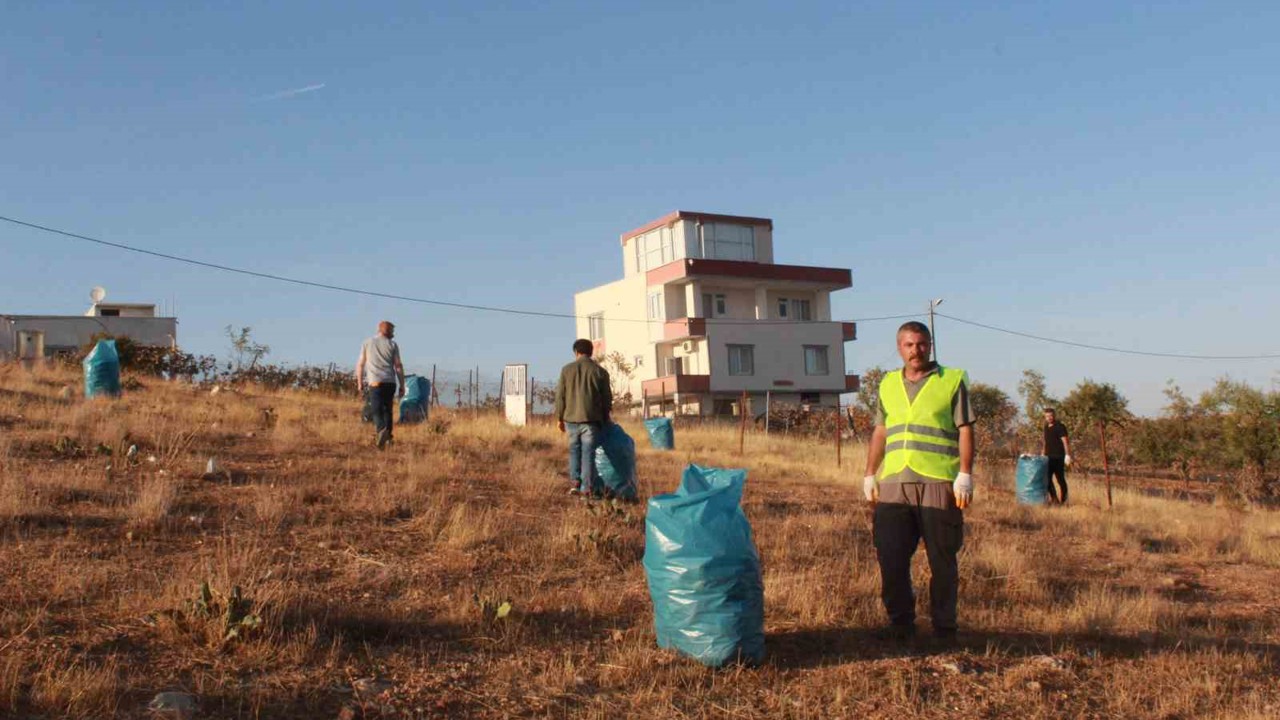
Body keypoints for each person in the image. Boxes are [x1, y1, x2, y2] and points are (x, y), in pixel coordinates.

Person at [863, 321, 976, 641]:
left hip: (938, 481)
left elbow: (966, 429)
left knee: (942, 558)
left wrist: (965, 473)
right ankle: (900, 624)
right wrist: (870, 473)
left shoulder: (951, 380)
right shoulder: (887, 383)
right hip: (894, 483)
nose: (916, 350)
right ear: (900, 348)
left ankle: (944, 628)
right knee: (890, 555)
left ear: (930, 345)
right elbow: (881, 431)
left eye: (922, 344)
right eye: (909, 345)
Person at [554, 339, 613, 497]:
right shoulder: (600, 371)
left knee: (574, 450)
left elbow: (560, 396)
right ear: (591, 352)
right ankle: (586, 488)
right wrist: (606, 417)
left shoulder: (566, 370)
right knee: (588, 453)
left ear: (576, 352)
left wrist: (560, 417)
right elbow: (607, 398)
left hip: (571, 419)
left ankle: (575, 483)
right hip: (591, 420)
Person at [355, 321, 405, 449]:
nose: (393, 334)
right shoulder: (393, 345)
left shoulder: (367, 343)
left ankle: (381, 431)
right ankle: (388, 438)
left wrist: (360, 383)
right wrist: (402, 385)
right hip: (390, 382)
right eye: (392, 331)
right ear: (388, 331)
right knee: (388, 410)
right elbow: (398, 366)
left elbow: (360, 364)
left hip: (375, 382)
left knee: (376, 409)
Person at [1041, 408, 1072, 504]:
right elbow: (1045, 442)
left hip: (1058, 457)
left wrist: (1067, 455)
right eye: (1047, 416)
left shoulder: (1060, 426)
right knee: (1047, 479)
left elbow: (1065, 441)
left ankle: (1064, 500)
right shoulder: (1046, 427)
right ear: (1045, 417)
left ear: (1054, 415)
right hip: (1048, 457)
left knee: (1060, 479)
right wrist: (1042, 453)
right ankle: (1055, 499)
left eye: (1051, 415)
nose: (1049, 418)